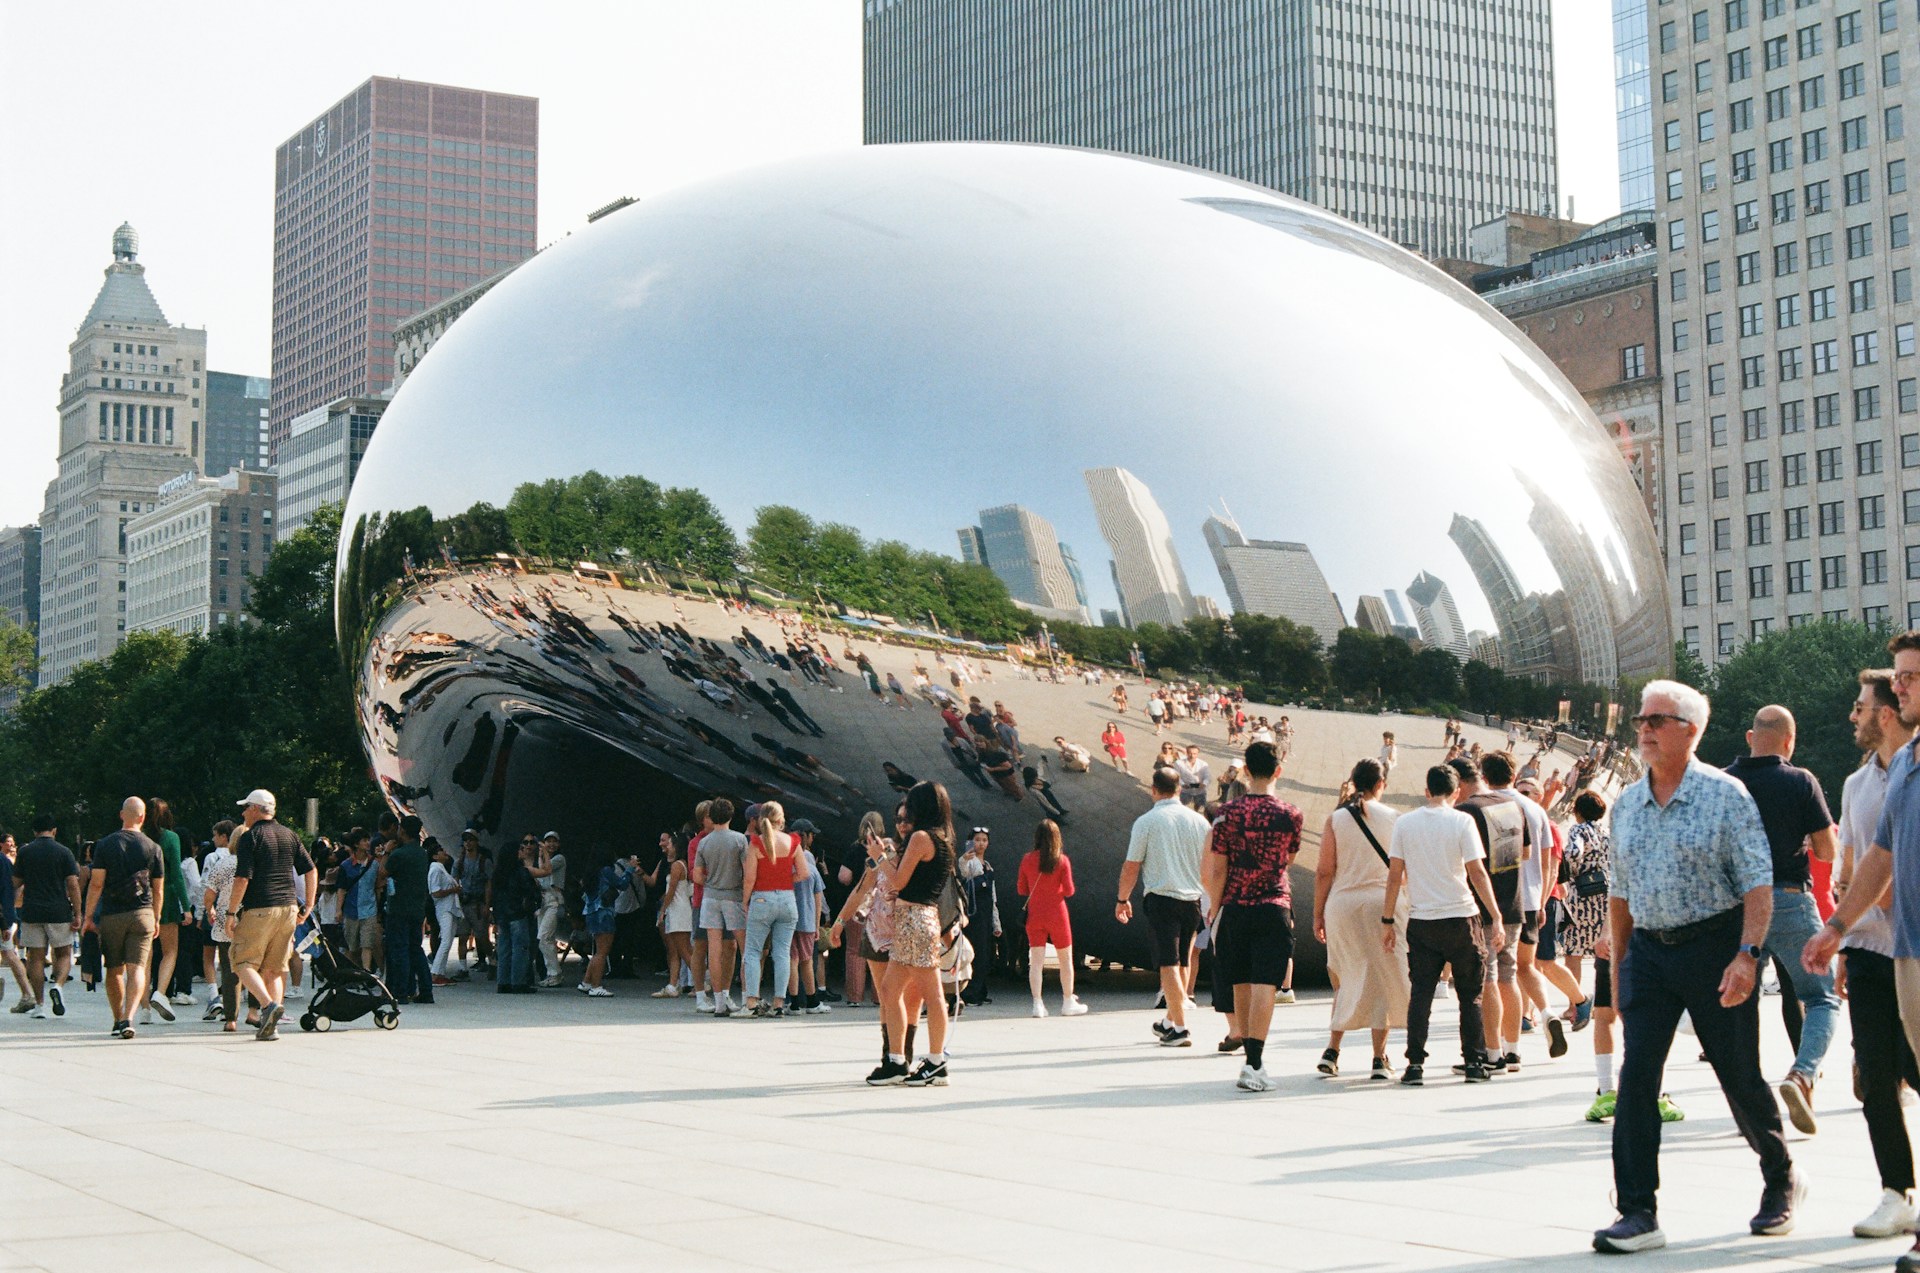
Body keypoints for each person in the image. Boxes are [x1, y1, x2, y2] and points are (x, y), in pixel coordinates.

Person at [1593, 681, 1794, 1254]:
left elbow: (1758, 882)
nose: (1645, 729)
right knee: (1637, 1079)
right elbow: (1620, 892)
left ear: (1691, 730)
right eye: (1641, 719)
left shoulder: (1726, 795)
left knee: (1738, 1075)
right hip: (1650, 955)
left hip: (1715, 948)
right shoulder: (1627, 803)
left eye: (1658, 719)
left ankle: (1780, 1178)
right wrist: (1620, 968)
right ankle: (1637, 1211)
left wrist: (1748, 956)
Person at [1826, 670, 1920, 1240]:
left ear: (1886, 713)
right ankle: (1896, 1192)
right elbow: (1850, 864)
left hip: (1911, 947)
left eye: (1861, 707)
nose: (1853, 716)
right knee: (1875, 1075)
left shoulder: (1913, 770)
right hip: (1866, 949)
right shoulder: (1857, 784)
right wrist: (1842, 939)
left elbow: (1888, 866)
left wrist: (1864, 898)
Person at [1723, 705, 1840, 1136]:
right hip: (1788, 900)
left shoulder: (1721, 781)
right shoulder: (1800, 781)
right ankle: (1802, 1074)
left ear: (1751, 737)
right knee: (1820, 995)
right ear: (1790, 742)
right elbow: (1827, 851)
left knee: (1739, 1002)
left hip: (1734, 907)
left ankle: (1749, 1104)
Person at [1380, 765, 1502, 1085]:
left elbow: (1394, 876)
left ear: (1426, 790)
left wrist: (1387, 919)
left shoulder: (1405, 823)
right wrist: (1497, 916)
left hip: (1422, 920)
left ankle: (1415, 1064)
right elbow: (1477, 872)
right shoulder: (1463, 821)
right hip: (1462, 917)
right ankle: (1474, 1062)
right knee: (1470, 995)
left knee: (1420, 994)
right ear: (1457, 792)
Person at [1201, 740, 1303, 1092]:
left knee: (1240, 980)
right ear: (1278, 770)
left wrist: (1215, 908)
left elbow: (1218, 868)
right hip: (1273, 903)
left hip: (1235, 905)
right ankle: (1254, 1062)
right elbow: (1287, 859)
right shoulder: (1291, 814)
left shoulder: (1225, 814)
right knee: (1266, 984)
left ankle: (1249, 1056)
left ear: (1245, 769)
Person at [1314, 758, 1409, 1080]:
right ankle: (1379, 1059)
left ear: (1353, 782)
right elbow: (1401, 872)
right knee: (1381, 979)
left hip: (1342, 905)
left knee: (1344, 976)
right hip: (1383, 906)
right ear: (1381, 784)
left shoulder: (1336, 818)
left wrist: (1318, 914)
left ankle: (1332, 1049)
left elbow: (1325, 871)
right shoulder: (1396, 818)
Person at [867, 782, 957, 1086]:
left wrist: (880, 857)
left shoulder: (921, 837)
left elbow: (898, 882)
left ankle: (936, 1061)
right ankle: (896, 1060)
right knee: (890, 990)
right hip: (914, 921)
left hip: (915, 921)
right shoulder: (942, 840)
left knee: (932, 995)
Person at [1117, 767, 1210, 1047]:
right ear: (1179, 789)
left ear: (1153, 790)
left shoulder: (1147, 821)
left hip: (1162, 898)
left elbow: (1132, 865)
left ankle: (1180, 1028)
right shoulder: (1199, 822)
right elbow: (1209, 866)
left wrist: (1122, 899)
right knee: (1182, 960)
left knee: (1168, 962)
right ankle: (1170, 1020)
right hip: (1193, 899)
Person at [1560, 792, 1634, 1123]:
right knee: (1637, 1020)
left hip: (1599, 913)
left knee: (1604, 1013)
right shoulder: (1610, 837)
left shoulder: (1586, 834)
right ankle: (1642, 1089)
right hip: (1636, 934)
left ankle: (1606, 1090)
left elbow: (1575, 858)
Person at [225, 790, 318, 1043]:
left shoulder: (250, 837)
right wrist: (308, 904)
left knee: (242, 961)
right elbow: (311, 870)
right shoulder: (289, 834)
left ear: (256, 809)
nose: (243, 813)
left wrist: (231, 912)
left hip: (260, 908)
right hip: (288, 908)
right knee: (275, 970)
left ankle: (267, 1006)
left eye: (245, 808)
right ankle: (271, 1025)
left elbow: (243, 878)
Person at [81, 798, 166, 1040]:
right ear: (142, 818)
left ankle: (118, 1018)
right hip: (143, 913)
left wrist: (88, 916)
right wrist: (157, 917)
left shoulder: (105, 845)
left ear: (121, 815)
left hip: (112, 915)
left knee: (114, 969)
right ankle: (130, 1016)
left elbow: (96, 884)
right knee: (137, 967)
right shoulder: (153, 847)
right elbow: (158, 888)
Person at [12, 813, 80, 1019]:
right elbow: (73, 885)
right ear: (54, 831)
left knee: (35, 958)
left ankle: (39, 1004)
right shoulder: (64, 852)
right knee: (63, 954)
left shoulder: (25, 852)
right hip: (59, 910)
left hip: (32, 910)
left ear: (34, 831)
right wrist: (78, 912)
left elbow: (15, 882)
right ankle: (58, 985)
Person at [1019, 819, 1085, 1018]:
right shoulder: (1062, 860)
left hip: (1035, 913)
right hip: (1057, 913)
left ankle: (1037, 1004)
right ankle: (1067, 1001)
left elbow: (1021, 889)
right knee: (1065, 960)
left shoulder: (1027, 859)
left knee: (1036, 961)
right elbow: (1070, 890)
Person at [741, 802, 801, 1016]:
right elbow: (804, 873)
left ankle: (751, 1002)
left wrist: (745, 901)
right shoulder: (794, 841)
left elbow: (749, 879)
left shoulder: (756, 843)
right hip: (787, 900)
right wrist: (786, 880)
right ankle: (778, 1003)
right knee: (782, 953)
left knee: (753, 951)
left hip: (762, 900)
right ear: (781, 819)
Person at [693, 800, 748, 1016]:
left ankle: (718, 1003)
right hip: (733, 896)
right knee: (744, 949)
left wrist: (711, 881)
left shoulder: (704, 843)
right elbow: (746, 871)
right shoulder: (739, 839)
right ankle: (746, 998)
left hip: (710, 897)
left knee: (713, 950)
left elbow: (697, 875)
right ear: (730, 816)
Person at [199, 821, 242, 1029]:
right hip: (251, 919)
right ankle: (254, 1009)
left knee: (228, 966)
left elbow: (209, 892)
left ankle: (231, 1016)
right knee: (253, 966)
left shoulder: (222, 863)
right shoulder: (255, 863)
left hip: (226, 919)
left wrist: (209, 910)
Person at [957, 826, 1002, 1007]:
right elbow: (964, 871)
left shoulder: (988, 866)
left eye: (984, 840)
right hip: (972, 914)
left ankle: (980, 990)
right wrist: (963, 859)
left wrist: (996, 923)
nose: (980, 843)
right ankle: (969, 992)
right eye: (977, 840)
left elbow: (993, 897)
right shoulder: (970, 861)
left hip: (985, 914)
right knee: (974, 953)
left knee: (985, 954)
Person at [489, 837, 540, 994]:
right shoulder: (521, 872)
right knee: (521, 948)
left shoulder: (498, 873)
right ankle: (518, 982)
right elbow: (530, 891)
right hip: (518, 913)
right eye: (520, 848)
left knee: (504, 948)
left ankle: (503, 982)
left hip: (502, 915)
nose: (523, 850)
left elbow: (494, 895)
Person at [789, 818, 829, 1013]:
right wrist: (816, 926)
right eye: (811, 835)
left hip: (787, 920)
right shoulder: (811, 869)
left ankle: (793, 1002)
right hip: (806, 921)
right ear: (804, 837)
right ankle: (812, 1001)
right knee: (807, 961)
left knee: (792, 960)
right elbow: (818, 899)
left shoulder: (785, 866)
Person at [579, 852, 629, 997]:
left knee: (597, 951)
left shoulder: (591, 873)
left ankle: (586, 982)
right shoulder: (606, 871)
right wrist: (630, 870)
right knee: (602, 952)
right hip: (604, 913)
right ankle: (596, 986)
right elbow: (622, 884)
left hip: (591, 912)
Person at [653, 833, 695, 998]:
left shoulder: (677, 865)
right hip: (679, 909)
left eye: (670, 843)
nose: (667, 846)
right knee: (677, 949)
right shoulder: (682, 864)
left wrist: (663, 910)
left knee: (684, 950)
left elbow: (670, 892)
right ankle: (673, 984)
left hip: (678, 909)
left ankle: (701, 983)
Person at [335, 828, 381, 971]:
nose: (368, 843)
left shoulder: (374, 864)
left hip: (369, 910)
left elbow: (378, 886)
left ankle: (366, 973)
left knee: (367, 944)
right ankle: (351, 974)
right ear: (356, 844)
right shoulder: (345, 866)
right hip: (351, 910)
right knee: (351, 947)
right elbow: (341, 889)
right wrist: (338, 910)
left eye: (368, 840)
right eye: (365, 840)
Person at [530, 831, 569, 988]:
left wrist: (543, 853)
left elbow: (547, 869)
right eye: (548, 841)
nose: (551, 844)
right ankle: (552, 973)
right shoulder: (542, 859)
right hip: (543, 901)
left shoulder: (559, 859)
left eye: (554, 841)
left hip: (554, 900)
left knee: (544, 937)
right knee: (545, 939)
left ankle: (555, 973)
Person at [427, 840, 462, 986]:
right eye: (441, 851)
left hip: (450, 907)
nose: (444, 852)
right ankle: (435, 973)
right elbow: (435, 892)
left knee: (447, 940)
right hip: (444, 908)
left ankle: (440, 972)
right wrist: (452, 890)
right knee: (446, 940)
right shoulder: (435, 869)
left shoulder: (441, 868)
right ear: (435, 856)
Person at [1175, 745, 1212, 812]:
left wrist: (1204, 783)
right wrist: (1182, 784)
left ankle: (1196, 812)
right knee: (1182, 805)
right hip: (1184, 790)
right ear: (1186, 753)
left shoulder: (1203, 764)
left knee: (1199, 804)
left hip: (1200, 790)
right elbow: (1177, 776)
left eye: (1194, 753)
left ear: (1198, 754)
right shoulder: (1179, 763)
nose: (1192, 756)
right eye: (1190, 753)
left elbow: (1208, 776)